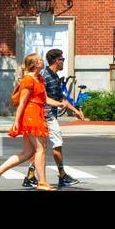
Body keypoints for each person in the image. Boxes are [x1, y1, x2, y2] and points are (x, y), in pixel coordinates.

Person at [0, 53, 54, 191]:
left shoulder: (39, 78)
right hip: (31, 115)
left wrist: (61, 103)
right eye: (41, 60)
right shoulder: (28, 80)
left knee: (28, 152)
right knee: (40, 149)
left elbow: (45, 100)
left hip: (38, 113)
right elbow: (22, 103)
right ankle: (42, 182)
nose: (43, 62)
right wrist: (16, 121)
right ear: (35, 65)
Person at [23, 48, 85, 189]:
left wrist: (74, 110)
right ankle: (62, 175)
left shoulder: (55, 76)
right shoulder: (44, 76)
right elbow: (41, 97)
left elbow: (61, 97)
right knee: (56, 144)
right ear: (57, 61)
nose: (63, 61)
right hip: (46, 116)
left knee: (39, 148)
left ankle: (30, 177)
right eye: (62, 59)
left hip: (48, 115)